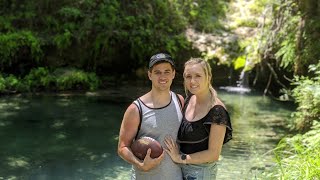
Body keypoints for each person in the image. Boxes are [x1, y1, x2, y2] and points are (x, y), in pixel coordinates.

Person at [117, 53, 184, 180]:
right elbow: (122, 147)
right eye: (157, 72)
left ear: (173, 74)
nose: (163, 76)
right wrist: (140, 164)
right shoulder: (136, 109)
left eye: (167, 72)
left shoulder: (179, 100)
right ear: (149, 75)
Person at [164, 57, 232, 180]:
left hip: (200, 173)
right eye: (188, 76)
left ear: (208, 77)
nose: (192, 81)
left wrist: (180, 158)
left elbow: (213, 154)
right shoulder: (190, 99)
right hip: (180, 169)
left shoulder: (217, 111)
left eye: (198, 76)